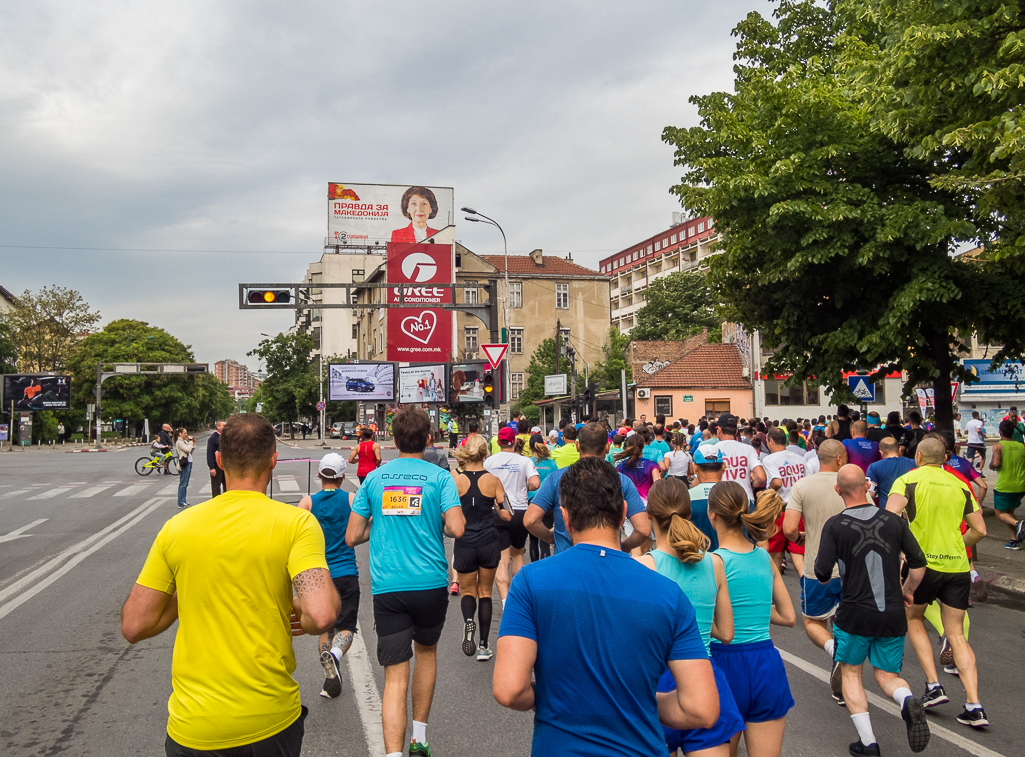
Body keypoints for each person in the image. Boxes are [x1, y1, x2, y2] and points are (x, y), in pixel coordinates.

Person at [121, 414, 339, 756]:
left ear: (220, 460)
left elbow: (134, 625)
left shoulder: (177, 528)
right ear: (273, 459)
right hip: (269, 722)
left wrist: (190, 580)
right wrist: (300, 613)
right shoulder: (296, 524)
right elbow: (322, 615)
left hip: (193, 727)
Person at [493, 457, 720, 755]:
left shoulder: (530, 582)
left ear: (566, 517)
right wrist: (640, 701)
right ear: (624, 511)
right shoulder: (669, 594)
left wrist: (548, 695)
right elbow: (701, 709)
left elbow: (509, 690)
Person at [346, 407, 466, 757]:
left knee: (395, 675)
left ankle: (393, 754)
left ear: (394, 440)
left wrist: (380, 524)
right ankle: (419, 738)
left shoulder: (375, 480)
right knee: (426, 653)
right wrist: (437, 524)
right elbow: (457, 528)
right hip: (430, 583)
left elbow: (352, 536)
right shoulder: (440, 477)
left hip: (389, 586)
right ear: (429, 439)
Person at [816, 465, 930, 756]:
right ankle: (907, 701)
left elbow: (821, 572)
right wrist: (907, 592)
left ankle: (868, 743)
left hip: (854, 614)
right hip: (891, 612)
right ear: (867, 487)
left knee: (852, 674)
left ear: (837, 490)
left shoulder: (835, 524)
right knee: (887, 676)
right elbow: (918, 563)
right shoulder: (893, 521)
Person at [637, 478, 744, 757]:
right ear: (689, 514)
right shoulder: (714, 563)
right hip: (704, 676)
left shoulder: (642, 567)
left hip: (657, 680)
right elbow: (727, 634)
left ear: (650, 515)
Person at [886, 438, 989, 728]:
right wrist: (958, 544)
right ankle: (974, 705)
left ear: (917, 456)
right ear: (944, 457)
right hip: (957, 566)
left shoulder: (907, 481)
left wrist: (904, 553)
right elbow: (979, 529)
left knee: (913, 618)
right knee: (955, 634)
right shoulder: (959, 484)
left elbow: (889, 518)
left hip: (923, 565)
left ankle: (934, 686)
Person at [708, 483, 797, 757]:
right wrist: (754, 609)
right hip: (766, 662)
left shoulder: (713, 562)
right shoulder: (764, 557)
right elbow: (788, 616)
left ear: (712, 515)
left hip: (723, 662)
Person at [783, 438, 848, 704]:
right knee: (842, 620)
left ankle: (834, 650)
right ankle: (846, 679)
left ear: (818, 458)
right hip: (850, 569)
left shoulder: (802, 485)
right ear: (840, 459)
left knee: (812, 622)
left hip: (815, 568)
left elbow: (789, 529)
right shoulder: (853, 483)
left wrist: (800, 538)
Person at [524, 423, 652, 555]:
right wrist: (624, 546)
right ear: (607, 447)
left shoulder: (557, 478)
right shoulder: (621, 481)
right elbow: (643, 529)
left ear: (578, 447)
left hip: (567, 560)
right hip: (608, 560)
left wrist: (551, 538)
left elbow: (530, 520)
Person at [298, 453, 360, 699]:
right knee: (346, 627)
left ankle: (330, 679)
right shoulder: (352, 499)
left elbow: (295, 533)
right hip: (346, 572)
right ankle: (335, 655)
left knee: (326, 626)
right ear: (343, 476)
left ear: (319, 475)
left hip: (320, 574)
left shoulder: (308, 503)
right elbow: (367, 525)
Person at [451, 436, 506, 662]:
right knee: (485, 592)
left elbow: (448, 512)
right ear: (486, 454)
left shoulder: (456, 481)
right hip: (488, 541)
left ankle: (468, 622)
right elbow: (506, 512)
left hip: (465, 541)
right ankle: (483, 646)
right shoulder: (493, 480)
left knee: (467, 592)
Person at [484, 427, 540, 606]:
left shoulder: (489, 462)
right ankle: (518, 598)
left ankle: (505, 601)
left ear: (498, 442)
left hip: (498, 511)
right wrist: (526, 488)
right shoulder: (524, 461)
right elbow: (535, 483)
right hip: (520, 511)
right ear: (514, 442)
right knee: (518, 555)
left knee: (502, 560)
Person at [761, 427, 808, 575]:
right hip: (799, 510)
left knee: (775, 554)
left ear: (771, 441)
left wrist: (766, 494)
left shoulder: (769, 459)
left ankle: (775, 590)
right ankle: (806, 582)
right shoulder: (799, 458)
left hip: (779, 510)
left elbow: (777, 482)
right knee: (799, 552)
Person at [709, 413, 765, 505]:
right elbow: (761, 477)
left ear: (719, 430)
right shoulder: (748, 449)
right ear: (736, 432)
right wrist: (752, 486)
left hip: (722, 501)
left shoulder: (713, 450)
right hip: (746, 499)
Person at [988, 419, 1025, 549]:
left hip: (1005, 486)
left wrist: (991, 465)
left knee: (1000, 513)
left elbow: (996, 464)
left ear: (1000, 432)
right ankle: (1013, 540)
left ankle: (1019, 524)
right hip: (1021, 486)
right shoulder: (1021, 446)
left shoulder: (998, 446)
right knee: (1009, 512)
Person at [527, 435, 558, 563]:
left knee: (533, 538)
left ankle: (534, 566)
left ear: (529, 446)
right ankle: (544, 566)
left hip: (531, 503)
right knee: (545, 538)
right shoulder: (551, 463)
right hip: (548, 503)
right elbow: (556, 482)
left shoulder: (528, 462)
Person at [866, 437, 916, 506]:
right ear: (899, 449)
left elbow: (871, 494)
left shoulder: (874, 467)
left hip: (887, 512)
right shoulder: (913, 464)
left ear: (881, 453)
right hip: (909, 512)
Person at [615, 433, 662, 505]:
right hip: (648, 505)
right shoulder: (652, 465)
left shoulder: (621, 466)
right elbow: (658, 486)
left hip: (629, 507)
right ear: (643, 445)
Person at [175, 428, 195, 509]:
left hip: (189, 461)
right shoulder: (179, 442)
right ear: (180, 433)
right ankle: (181, 502)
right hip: (184, 463)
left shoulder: (184, 441)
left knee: (185, 483)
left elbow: (191, 451)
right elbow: (187, 449)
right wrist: (190, 442)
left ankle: (184, 500)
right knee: (183, 483)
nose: (186, 435)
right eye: (184, 433)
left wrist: (192, 443)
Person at [207, 420, 226, 497]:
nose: (225, 427)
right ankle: (216, 504)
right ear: (218, 427)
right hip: (217, 465)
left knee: (227, 487)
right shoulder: (213, 438)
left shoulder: (227, 437)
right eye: (223, 425)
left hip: (226, 466)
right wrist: (211, 467)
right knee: (216, 487)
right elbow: (210, 453)